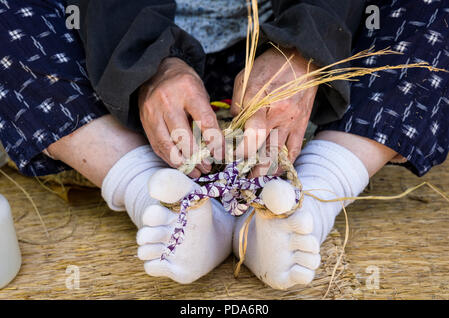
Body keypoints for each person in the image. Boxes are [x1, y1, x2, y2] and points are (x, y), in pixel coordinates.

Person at [0, 0, 447, 289]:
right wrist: (148, 63)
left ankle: (307, 195)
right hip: (116, 59)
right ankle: (153, 190)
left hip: (293, 60)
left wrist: (304, 49)